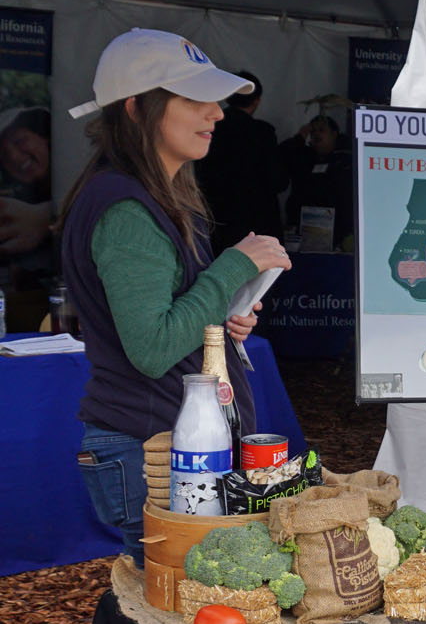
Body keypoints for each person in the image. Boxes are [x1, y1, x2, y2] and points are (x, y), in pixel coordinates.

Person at [59, 29, 291, 564]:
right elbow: (153, 346)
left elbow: (172, 315)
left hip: (171, 448)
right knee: (176, 618)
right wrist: (235, 265)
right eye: (195, 99)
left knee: (185, 613)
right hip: (151, 453)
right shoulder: (126, 210)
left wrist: (225, 318)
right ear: (137, 108)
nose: (217, 113)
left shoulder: (156, 196)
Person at [196, 70, 289, 253]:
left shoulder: (209, 129)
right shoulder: (262, 133)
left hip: (216, 222)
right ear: (257, 101)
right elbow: (277, 180)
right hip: (257, 226)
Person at [0, 106, 57, 329]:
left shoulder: (91, 176)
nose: (14, 156)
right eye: (3, 156)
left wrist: (46, 218)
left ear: (45, 138)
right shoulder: (18, 202)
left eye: (20, 140)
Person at [280, 113, 354, 250]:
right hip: (303, 233)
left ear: (334, 134)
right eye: (312, 131)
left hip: (338, 236)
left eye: (321, 130)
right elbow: (279, 158)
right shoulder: (304, 157)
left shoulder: (348, 159)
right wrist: (299, 137)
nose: (316, 134)